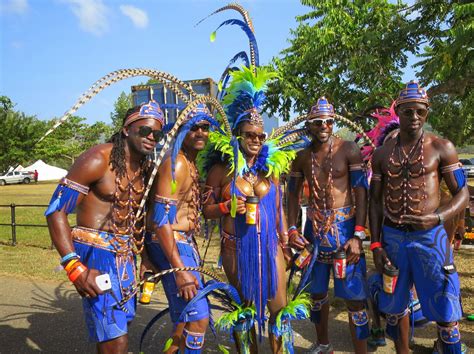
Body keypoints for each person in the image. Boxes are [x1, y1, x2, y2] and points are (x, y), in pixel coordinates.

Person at [45, 100, 164, 353]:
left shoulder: (145, 169)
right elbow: (55, 210)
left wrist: (146, 258)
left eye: (157, 133)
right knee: (114, 339)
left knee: (120, 326)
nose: (152, 137)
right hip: (95, 256)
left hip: (125, 259)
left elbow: (138, 217)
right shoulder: (97, 158)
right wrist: (75, 267)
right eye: (145, 130)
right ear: (126, 130)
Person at [369, 81, 469, 354]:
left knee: (446, 308)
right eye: (408, 111)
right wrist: (376, 245)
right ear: (398, 112)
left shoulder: (442, 147)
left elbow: (463, 195)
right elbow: (375, 202)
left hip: (430, 237)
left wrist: (437, 218)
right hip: (393, 237)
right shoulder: (382, 154)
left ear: (427, 113)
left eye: (420, 112)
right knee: (395, 306)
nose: (414, 117)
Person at [287, 97, 369, 354]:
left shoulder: (348, 150)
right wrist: (291, 229)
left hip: (345, 231)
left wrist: (358, 234)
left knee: (355, 299)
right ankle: (323, 344)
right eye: (318, 122)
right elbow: (292, 195)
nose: (324, 126)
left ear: (333, 123)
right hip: (314, 233)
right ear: (310, 125)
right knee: (317, 295)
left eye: (328, 121)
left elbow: (361, 192)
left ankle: (361, 351)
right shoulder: (301, 157)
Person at [141, 104, 220, 353]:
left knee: (185, 320)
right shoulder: (176, 165)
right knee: (198, 318)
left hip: (180, 242)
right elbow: (160, 220)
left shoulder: (190, 162)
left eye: (205, 127)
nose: (199, 132)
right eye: (192, 127)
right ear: (180, 131)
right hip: (171, 243)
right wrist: (180, 270)